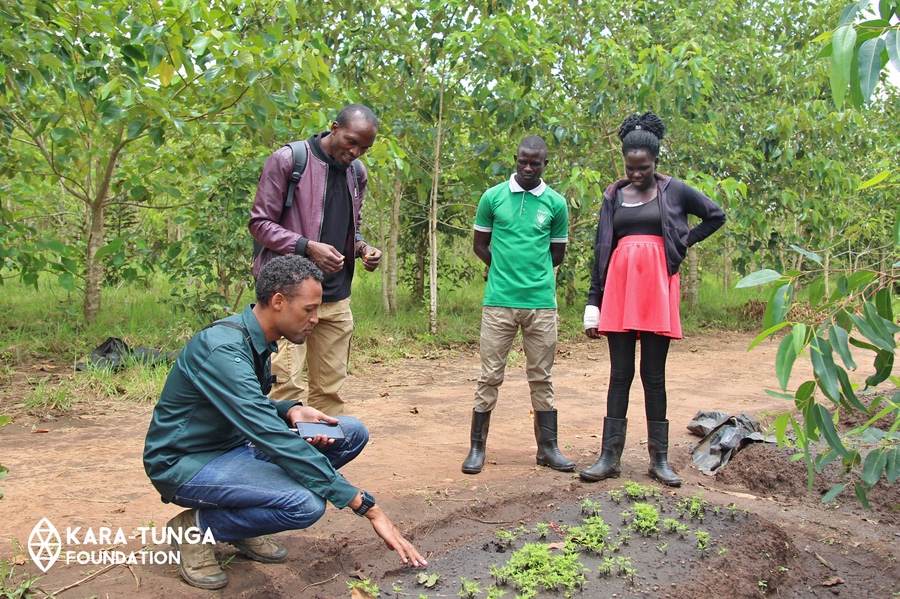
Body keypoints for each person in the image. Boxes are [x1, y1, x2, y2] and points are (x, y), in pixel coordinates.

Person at [143, 255, 425, 590]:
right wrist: (365, 505)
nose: (316, 319)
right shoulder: (222, 348)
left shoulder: (254, 340)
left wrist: (290, 411)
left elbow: (248, 406)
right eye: (308, 309)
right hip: (186, 462)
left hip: (232, 445)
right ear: (278, 302)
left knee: (348, 433)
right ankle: (195, 527)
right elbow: (268, 435)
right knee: (304, 504)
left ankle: (245, 524)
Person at [580, 111, 726, 487]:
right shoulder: (614, 195)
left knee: (653, 376)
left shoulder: (674, 190)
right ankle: (609, 457)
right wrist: (593, 302)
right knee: (620, 374)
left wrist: (682, 242)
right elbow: (602, 248)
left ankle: (658, 460)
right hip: (620, 288)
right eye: (630, 168)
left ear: (655, 161)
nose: (636, 174)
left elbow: (715, 215)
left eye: (642, 168)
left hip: (657, 289)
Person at [249, 104, 383, 416]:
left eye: (364, 147)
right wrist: (307, 247)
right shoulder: (289, 160)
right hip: (289, 296)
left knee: (330, 390)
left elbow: (352, 227)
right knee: (284, 387)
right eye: (351, 141)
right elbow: (259, 223)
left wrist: (362, 248)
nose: (356, 152)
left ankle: (322, 460)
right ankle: (281, 460)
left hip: (335, 297)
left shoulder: (357, 173)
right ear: (334, 128)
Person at [462, 135, 576, 475]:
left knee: (542, 376)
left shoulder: (556, 204)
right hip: (499, 302)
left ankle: (548, 449)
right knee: (489, 376)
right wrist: (502, 270)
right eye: (523, 161)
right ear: (515, 158)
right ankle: (476, 449)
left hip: (541, 303)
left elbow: (557, 253)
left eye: (536, 163)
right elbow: (480, 245)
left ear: (545, 164)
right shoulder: (492, 197)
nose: (528, 167)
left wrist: (535, 276)